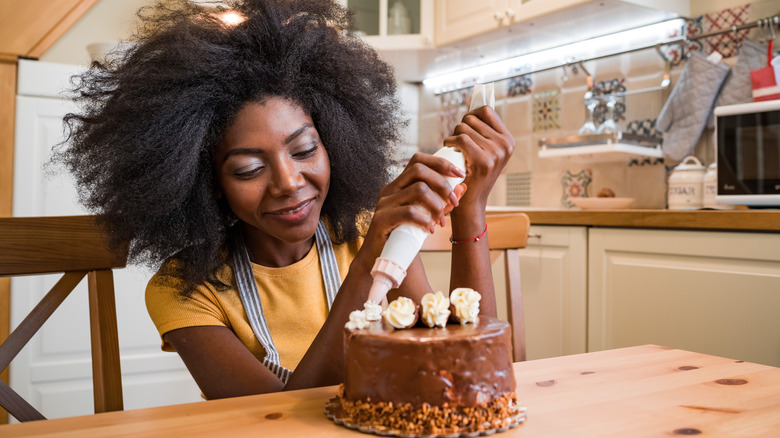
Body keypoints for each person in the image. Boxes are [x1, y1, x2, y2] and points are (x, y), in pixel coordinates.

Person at [56, 0, 514, 400]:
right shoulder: (183, 290)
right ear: (207, 181)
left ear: (334, 141)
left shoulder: (360, 232)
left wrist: (470, 206)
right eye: (249, 169)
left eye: (304, 149)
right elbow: (277, 419)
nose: (289, 183)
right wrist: (368, 259)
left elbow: (467, 362)